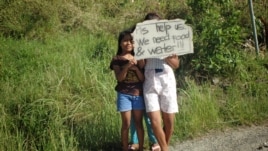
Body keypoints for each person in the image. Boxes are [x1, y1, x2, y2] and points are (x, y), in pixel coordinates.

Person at [142, 12, 180, 151]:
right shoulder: (141, 41)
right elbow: (141, 65)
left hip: (166, 78)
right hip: (149, 79)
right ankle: (165, 149)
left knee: (169, 121)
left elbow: (176, 64)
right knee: (154, 120)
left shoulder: (168, 41)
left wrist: (164, 54)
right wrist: (141, 52)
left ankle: (164, 146)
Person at [109, 30, 145, 151]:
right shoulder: (116, 59)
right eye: (125, 40)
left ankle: (141, 147)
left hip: (138, 94)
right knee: (126, 124)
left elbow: (142, 78)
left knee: (139, 123)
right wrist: (127, 67)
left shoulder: (139, 58)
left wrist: (136, 69)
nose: (128, 43)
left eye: (131, 41)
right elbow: (119, 78)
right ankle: (125, 148)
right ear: (120, 43)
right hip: (124, 94)